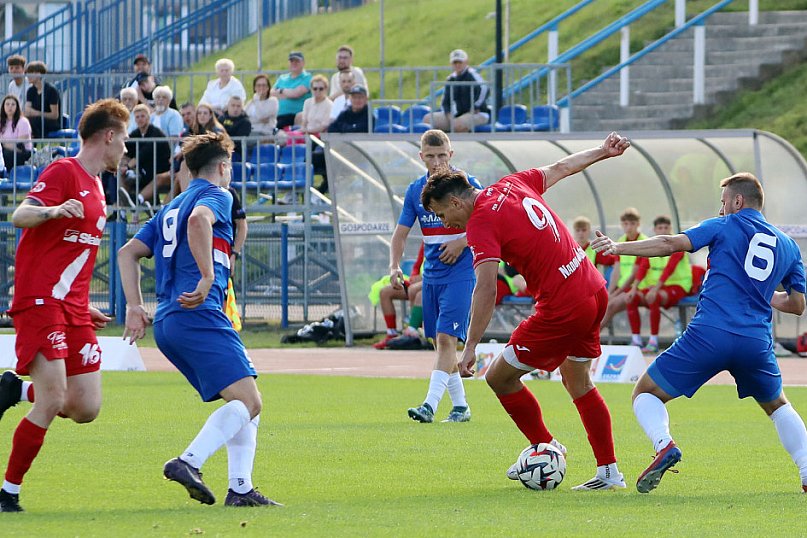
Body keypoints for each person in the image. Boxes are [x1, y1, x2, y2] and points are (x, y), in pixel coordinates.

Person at [420, 132, 631, 490]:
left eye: (443, 215)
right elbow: (563, 167)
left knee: (499, 377)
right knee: (578, 381)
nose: (449, 225)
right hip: (591, 286)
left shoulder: (480, 222)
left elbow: (486, 287)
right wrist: (602, 151)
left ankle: (546, 447)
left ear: (455, 202)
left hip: (564, 303)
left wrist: (470, 346)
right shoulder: (512, 183)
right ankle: (609, 473)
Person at [590, 172, 807, 494]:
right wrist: (763, 294)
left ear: (737, 201)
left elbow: (668, 244)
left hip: (710, 333)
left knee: (646, 392)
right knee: (777, 406)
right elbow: (797, 305)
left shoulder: (724, 225)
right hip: (756, 341)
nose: (720, 209)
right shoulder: (788, 246)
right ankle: (805, 470)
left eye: (723, 202)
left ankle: (665, 444)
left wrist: (618, 246)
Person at [117, 131, 280, 507]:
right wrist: (207, 276)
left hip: (170, 320)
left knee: (245, 400)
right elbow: (199, 222)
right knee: (250, 402)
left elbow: (128, 253)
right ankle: (188, 461)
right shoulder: (217, 196)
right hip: (199, 311)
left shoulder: (168, 207)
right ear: (223, 167)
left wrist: (134, 306)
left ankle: (241, 488)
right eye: (230, 168)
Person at [0, 98, 129, 513]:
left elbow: (74, 254)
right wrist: (53, 210)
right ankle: (8, 493)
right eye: (123, 140)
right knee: (54, 399)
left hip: (70, 304)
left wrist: (81, 304)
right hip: (40, 299)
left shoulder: (97, 187)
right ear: (108, 136)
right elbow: (20, 216)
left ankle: (13, 389)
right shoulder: (63, 171)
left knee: (85, 406)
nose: (126, 149)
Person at [389, 129, 482, 424]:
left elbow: (489, 221)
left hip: (462, 271)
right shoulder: (417, 190)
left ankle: (429, 405)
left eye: (442, 155)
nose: (437, 161)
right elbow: (400, 234)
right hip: (432, 274)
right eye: (430, 156)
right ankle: (461, 406)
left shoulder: (468, 186)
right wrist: (394, 267)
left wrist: (461, 241)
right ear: (421, 157)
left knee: (445, 339)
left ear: (451, 154)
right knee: (439, 343)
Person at [624, 215, 692, 353]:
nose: (663, 230)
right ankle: (636, 340)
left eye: (666, 227)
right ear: (654, 230)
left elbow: (669, 270)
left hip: (678, 286)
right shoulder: (651, 246)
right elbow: (643, 268)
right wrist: (634, 288)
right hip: (658, 287)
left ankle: (653, 341)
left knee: (653, 297)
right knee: (631, 298)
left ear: (671, 229)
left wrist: (655, 289)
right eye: (660, 228)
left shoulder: (677, 244)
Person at [599, 207, 646, 329]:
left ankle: (595, 336)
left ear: (638, 224)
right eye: (625, 224)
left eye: (632, 223)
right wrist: (610, 292)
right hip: (624, 288)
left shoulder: (644, 242)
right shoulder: (620, 241)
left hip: (640, 287)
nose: (629, 227)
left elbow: (634, 274)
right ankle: (593, 337)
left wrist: (615, 294)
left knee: (610, 306)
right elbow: (616, 270)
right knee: (602, 304)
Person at [373, 243, 425, 349]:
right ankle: (391, 333)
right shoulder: (426, 241)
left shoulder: (444, 240)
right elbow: (417, 266)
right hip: (420, 283)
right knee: (385, 292)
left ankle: (414, 331)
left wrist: (422, 278)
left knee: (417, 293)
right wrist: (414, 276)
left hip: (433, 282)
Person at [423, 49, 489, 133]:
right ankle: (439, 143)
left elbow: (484, 89)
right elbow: (445, 102)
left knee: (458, 125)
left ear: (466, 62)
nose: (457, 65)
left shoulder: (472, 75)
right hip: (456, 114)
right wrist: (450, 117)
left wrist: (476, 107)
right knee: (428, 119)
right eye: (455, 62)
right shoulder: (450, 79)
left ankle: (462, 144)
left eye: (460, 62)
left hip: (477, 113)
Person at [122, 104, 171, 207]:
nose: (140, 119)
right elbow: (125, 148)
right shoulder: (135, 134)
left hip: (160, 169)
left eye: (142, 116)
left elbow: (143, 153)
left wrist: (128, 166)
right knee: (118, 173)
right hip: (145, 170)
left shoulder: (156, 133)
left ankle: (135, 201)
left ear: (148, 117)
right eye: (137, 117)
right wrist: (122, 162)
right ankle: (121, 209)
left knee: (127, 171)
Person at [271, 52, 312, 130]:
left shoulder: (307, 77)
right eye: (292, 61)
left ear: (303, 63)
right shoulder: (282, 78)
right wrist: (289, 93)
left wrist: (281, 90)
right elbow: (271, 93)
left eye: (297, 61)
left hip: (296, 116)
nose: (294, 63)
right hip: (279, 116)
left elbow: (296, 94)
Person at [24, 61, 61, 139]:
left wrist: (36, 113)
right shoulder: (30, 91)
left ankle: (36, 144)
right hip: (36, 121)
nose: (27, 76)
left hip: (51, 122)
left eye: (31, 73)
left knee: (35, 121)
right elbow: (27, 110)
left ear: (39, 74)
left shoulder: (51, 90)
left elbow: (54, 115)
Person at [0, 95, 33, 171]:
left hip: (22, 153)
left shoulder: (23, 122)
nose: (10, 107)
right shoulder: (1, 122)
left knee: (5, 154)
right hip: (4, 150)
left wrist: (3, 144)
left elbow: (19, 146)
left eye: (13, 104)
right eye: (7, 104)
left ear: (17, 107)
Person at [218, 96, 252, 160]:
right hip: (220, 151)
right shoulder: (220, 119)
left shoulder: (245, 122)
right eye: (233, 105)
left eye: (238, 106)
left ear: (242, 108)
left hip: (236, 153)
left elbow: (237, 142)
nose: (235, 108)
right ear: (228, 106)